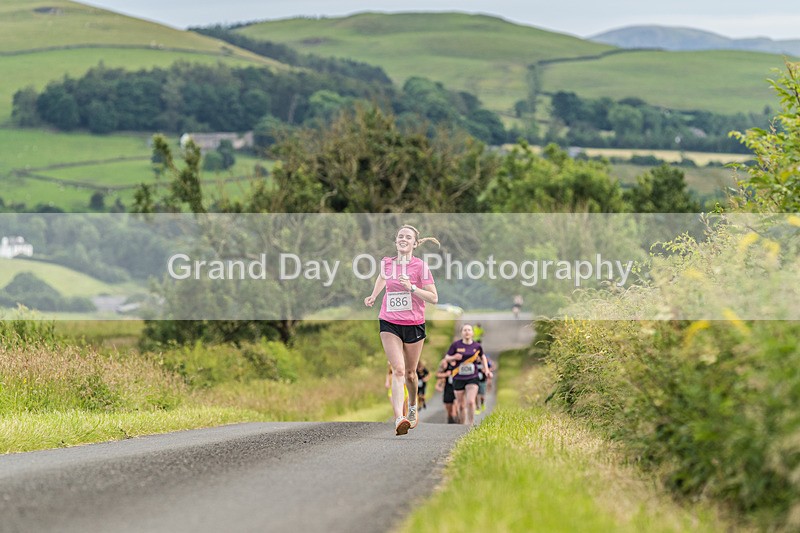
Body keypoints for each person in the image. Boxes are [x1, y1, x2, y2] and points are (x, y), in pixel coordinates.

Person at [365, 224, 439, 436]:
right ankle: (399, 418)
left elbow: (434, 298)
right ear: (396, 241)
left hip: (414, 324)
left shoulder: (421, 267)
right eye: (400, 236)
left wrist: (412, 288)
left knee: (410, 374)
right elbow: (382, 278)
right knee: (398, 369)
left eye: (408, 237)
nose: (403, 239)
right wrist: (374, 295)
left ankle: (413, 406)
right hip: (389, 321)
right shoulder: (387, 263)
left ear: (415, 243)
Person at [445, 323, 492, 426]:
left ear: (472, 333)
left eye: (469, 330)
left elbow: (483, 357)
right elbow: (447, 357)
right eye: (465, 330)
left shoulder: (477, 346)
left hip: (472, 377)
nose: (467, 332)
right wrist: (454, 357)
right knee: (461, 405)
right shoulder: (456, 345)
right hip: (458, 377)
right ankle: (462, 425)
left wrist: (487, 370)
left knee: (470, 401)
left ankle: (470, 424)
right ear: (461, 333)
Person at [436, 356, 459, 424]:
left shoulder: (460, 362)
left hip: (458, 387)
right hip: (448, 388)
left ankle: (458, 420)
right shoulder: (445, 363)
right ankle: (450, 419)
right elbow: (437, 374)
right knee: (449, 408)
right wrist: (446, 374)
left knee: (456, 405)